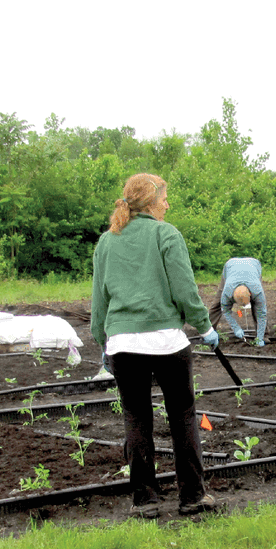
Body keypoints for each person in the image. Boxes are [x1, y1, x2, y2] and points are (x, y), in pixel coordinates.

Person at [90, 173, 217, 517]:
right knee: (183, 416)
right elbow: (184, 290)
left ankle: (144, 501)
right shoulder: (166, 234)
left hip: (123, 345)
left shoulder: (107, 241)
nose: (167, 204)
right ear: (150, 202)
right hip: (166, 342)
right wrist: (205, 326)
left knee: (136, 418)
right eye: (164, 198)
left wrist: (103, 341)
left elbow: (99, 301)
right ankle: (192, 496)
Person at [208, 257, 268, 346]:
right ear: (232, 297)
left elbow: (262, 314)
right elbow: (225, 310)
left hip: (253, 266)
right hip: (230, 267)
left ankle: (262, 335)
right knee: (218, 303)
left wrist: (260, 338)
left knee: (258, 308)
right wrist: (236, 328)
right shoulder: (226, 293)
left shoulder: (257, 291)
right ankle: (208, 332)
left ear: (251, 294)